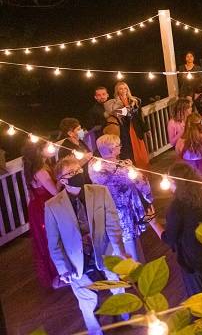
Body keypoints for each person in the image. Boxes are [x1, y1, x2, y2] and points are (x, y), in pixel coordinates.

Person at [45, 157, 128, 335]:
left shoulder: (100, 192)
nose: (77, 174)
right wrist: (63, 268)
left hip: (105, 252)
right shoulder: (52, 206)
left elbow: (113, 224)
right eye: (71, 173)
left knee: (118, 288)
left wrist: (120, 250)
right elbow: (54, 243)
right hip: (77, 261)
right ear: (62, 180)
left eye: (78, 170)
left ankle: (125, 319)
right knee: (87, 301)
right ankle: (95, 331)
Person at [148, 162, 202, 296]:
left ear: (174, 182)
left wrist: (154, 223)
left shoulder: (177, 206)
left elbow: (170, 238)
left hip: (194, 259)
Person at [91, 134, 154, 262]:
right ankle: (135, 271)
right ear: (112, 150)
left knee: (115, 241)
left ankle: (120, 268)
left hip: (107, 209)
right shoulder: (125, 167)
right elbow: (141, 183)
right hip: (125, 209)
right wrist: (149, 196)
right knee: (130, 242)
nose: (121, 147)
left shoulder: (94, 168)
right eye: (118, 145)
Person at [22, 141, 60, 289]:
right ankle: (56, 276)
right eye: (47, 146)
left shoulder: (41, 167)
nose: (51, 147)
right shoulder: (41, 171)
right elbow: (55, 192)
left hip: (39, 207)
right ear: (40, 151)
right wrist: (63, 180)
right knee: (50, 239)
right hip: (44, 209)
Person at [104, 82, 150, 169]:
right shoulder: (114, 103)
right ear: (117, 90)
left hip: (135, 128)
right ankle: (132, 169)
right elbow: (113, 113)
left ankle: (143, 168)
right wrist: (123, 110)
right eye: (120, 88)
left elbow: (140, 116)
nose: (123, 90)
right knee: (128, 149)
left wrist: (146, 129)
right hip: (124, 129)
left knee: (139, 149)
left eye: (125, 88)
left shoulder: (135, 101)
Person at [84, 86, 109, 154]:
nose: (102, 96)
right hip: (102, 140)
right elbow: (90, 127)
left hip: (115, 138)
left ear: (107, 95)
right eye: (99, 95)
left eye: (104, 94)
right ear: (95, 97)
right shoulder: (93, 111)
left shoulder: (113, 106)